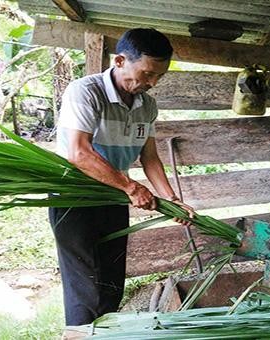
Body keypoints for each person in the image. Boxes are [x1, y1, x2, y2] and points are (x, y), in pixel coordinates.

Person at [50, 28, 194, 327]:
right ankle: (80, 334)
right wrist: (130, 186)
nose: (151, 83)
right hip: (75, 195)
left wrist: (172, 200)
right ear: (119, 61)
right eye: (146, 74)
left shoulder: (147, 105)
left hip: (114, 196)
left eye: (158, 77)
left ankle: (106, 332)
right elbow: (79, 153)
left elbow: (149, 157)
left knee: (112, 279)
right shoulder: (86, 91)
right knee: (85, 284)